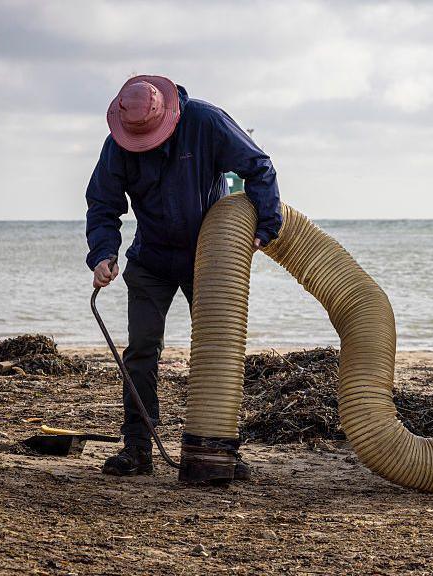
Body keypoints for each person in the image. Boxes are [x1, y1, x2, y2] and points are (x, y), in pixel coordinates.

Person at [85, 75, 281, 477]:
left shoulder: (205, 122)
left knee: (218, 352)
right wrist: (103, 254)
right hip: (151, 258)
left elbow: (259, 166)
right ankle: (137, 449)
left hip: (209, 258)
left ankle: (222, 447)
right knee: (141, 351)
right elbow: (103, 203)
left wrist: (266, 226)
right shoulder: (118, 145)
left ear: (167, 116)